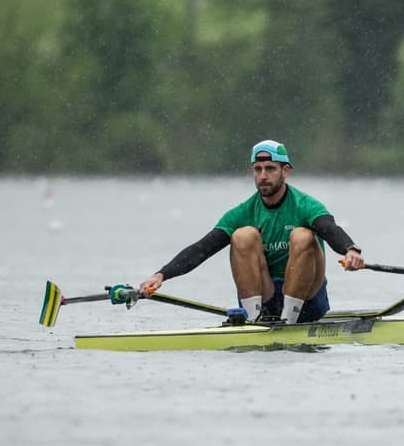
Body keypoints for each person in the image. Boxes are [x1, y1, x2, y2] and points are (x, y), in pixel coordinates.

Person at [139, 139, 364, 324]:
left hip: (307, 301)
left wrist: (350, 250)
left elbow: (329, 228)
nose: (263, 176)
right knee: (241, 235)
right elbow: (203, 248)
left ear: (285, 171)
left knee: (303, 235)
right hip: (264, 297)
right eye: (258, 169)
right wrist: (161, 275)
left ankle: (289, 320)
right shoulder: (242, 212)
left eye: (270, 169)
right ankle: (255, 320)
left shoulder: (305, 205)